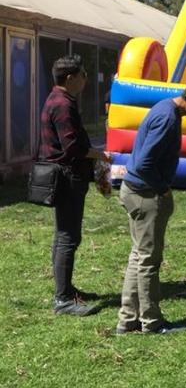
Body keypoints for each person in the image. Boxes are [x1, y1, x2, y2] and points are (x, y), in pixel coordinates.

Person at [115, 79, 186, 334]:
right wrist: (162, 188)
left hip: (134, 191)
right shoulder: (168, 119)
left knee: (138, 256)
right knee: (149, 261)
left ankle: (127, 320)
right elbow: (144, 164)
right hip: (145, 194)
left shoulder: (165, 108)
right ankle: (151, 322)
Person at [39, 55, 111, 316]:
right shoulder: (64, 104)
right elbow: (73, 147)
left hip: (65, 176)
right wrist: (100, 155)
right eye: (83, 75)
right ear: (70, 78)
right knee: (68, 237)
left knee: (64, 236)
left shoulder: (56, 99)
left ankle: (66, 289)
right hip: (69, 177)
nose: (85, 80)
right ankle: (62, 299)